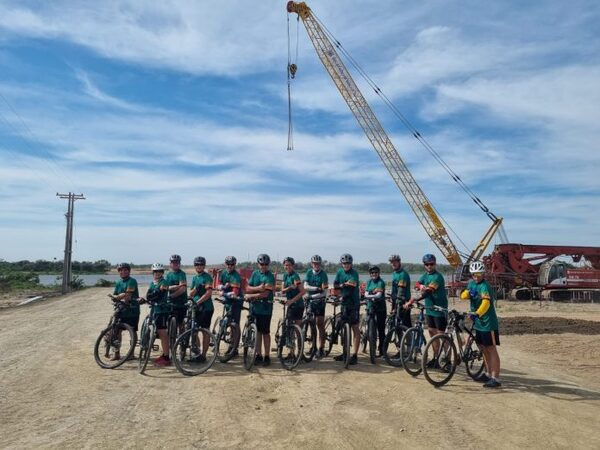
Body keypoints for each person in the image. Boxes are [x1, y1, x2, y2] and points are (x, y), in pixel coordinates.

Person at [461, 261, 501, 388]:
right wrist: (468, 293)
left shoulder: (485, 286)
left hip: (488, 323)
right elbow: (463, 295)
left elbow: (486, 303)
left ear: (483, 273)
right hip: (478, 322)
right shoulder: (472, 284)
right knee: (483, 349)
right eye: (474, 274)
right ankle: (487, 374)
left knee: (491, 349)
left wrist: (477, 313)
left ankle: (495, 378)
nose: (476, 276)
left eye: (478, 274)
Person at [407, 254, 448, 363]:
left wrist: (417, 299)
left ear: (435, 264)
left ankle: (447, 360)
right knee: (431, 332)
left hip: (439, 309)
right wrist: (420, 286)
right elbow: (417, 284)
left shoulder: (437, 277)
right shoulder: (425, 275)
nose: (429, 266)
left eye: (431, 264)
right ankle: (435, 358)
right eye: (427, 264)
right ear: (424, 265)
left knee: (441, 334)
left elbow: (429, 292)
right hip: (429, 308)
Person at [246, 254, 275, 366]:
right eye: (261, 264)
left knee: (265, 333)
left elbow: (266, 294)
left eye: (266, 264)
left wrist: (252, 295)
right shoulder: (255, 273)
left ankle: (267, 356)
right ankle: (258, 355)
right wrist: (258, 288)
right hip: (255, 308)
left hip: (265, 309)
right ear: (258, 264)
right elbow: (247, 288)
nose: (263, 266)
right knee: (257, 332)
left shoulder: (270, 276)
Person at [333, 253, 361, 365]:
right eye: (344, 263)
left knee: (355, 328)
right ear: (342, 263)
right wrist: (342, 285)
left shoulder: (354, 273)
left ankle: (354, 355)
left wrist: (341, 287)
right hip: (344, 303)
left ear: (351, 264)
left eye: (348, 263)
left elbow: (350, 287)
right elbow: (335, 284)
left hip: (354, 304)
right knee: (343, 326)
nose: (346, 265)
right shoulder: (339, 272)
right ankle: (345, 352)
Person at [142, 263, 171, 367]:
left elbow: (159, 294)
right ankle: (163, 354)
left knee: (162, 333)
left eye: (159, 271)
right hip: (154, 309)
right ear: (152, 273)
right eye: (155, 271)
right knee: (156, 331)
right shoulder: (152, 283)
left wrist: (150, 296)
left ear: (162, 272)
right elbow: (149, 294)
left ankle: (167, 357)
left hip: (162, 310)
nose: (157, 273)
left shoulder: (165, 282)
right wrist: (145, 298)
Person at [110, 262, 140, 361]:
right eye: (121, 270)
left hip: (132, 310)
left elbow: (128, 294)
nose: (123, 272)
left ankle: (131, 354)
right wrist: (115, 299)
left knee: (132, 331)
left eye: (125, 270)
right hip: (121, 310)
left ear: (129, 271)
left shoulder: (132, 281)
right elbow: (115, 295)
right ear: (119, 272)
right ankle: (116, 354)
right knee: (117, 331)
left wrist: (117, 297)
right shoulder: (118, 282)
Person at [189, 256, 214, 363]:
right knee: (193, 330)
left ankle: (203, 356)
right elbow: (190, 294)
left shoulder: (207, 277)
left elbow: (208, 294)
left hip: (206, 308)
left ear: (204, 266)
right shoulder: (195, 278)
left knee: (205, 331)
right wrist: (196, 289)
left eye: (201, 265)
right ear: (195, 266)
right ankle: (197, 351)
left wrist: (198, 302)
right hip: (195, 307)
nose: (199, 266)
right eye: (197, 265)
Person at [303, 254, 329, 358]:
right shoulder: (309, 272)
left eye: (318, 263)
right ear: (311, 264)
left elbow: (324, 292)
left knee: (320, 325)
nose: (316, 265)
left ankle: (321, 348)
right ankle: (313, 346)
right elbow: (305, 286)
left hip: (320, 302)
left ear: (320, 264)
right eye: (314, 263)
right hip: (310, 301)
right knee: (311, 324)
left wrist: (312, 294)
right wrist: (317, 288)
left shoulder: (324, 275)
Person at [218, 256, 243, 356]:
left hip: (236, 302)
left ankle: (234, 348)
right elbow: (219, 283)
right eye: (228, 264)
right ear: (225, 264)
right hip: (227, 301)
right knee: (227, 320)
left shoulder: (236, 276)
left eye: (232, 264)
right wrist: (222, 287)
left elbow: (235, 293)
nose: (230, 266)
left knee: (234, 325)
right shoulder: (223, 273)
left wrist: (223, 293)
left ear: (235, 265)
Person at [364, 265, 386, 357]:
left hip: (380, 308)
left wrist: (370, 294)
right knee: (369, 328)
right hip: (370, 307)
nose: (374, 274)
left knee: (381, 330)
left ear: (378, 273)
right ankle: (369, 342)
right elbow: (365, 294)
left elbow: (379, 295)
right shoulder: (369, 282)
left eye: (376, 272)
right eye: (372, 273)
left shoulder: (381, 282)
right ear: (370, 274)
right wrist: (372, 294)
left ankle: (382, 350)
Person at [165, 254, 187, 331]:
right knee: (168, 321)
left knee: (180, 323)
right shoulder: (168, 275)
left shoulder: (182, 274)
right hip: (171, 303)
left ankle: (182, 339)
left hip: (181, 302)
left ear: (179, 264)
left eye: (177, 262)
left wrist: (172, 295)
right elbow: (166, 288)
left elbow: (183, 289)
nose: (175, 264)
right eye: (173, 262)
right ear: (170, 264)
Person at [389, 254, 412, 328]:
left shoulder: (403, 274)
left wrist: (396, 307)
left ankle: (409, 339)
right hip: (396, 301)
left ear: (399, 262)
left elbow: (401, 292)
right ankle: (399, 339)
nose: (393, 264)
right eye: (391, 262)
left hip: (403, 302)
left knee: (405, 325)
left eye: (395, 262)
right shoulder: (395, 273)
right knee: (395, 324)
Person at [281, 257, 305, 326]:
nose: (287, 267)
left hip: (298, 304)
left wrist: (292, 301)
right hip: (290, 304)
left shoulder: (295, 276)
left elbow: (303, 292)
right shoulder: (285, 275)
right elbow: (282, 291)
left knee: (297, 327)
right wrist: (289, 287)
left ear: (293, 266)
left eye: (289, 265)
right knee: (288, 325)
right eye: (286, 265)